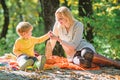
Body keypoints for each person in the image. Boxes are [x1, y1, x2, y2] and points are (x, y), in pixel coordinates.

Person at [49, 6, 120, 69]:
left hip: (82, 47)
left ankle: (114, 63)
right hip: (72, 54)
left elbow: (74, 46)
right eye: (57, 18)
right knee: (81, 62)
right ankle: (100, 63)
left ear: (67, 17)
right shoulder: (58, 25)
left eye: (60, 18)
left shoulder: (78, 25)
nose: (58, 20)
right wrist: (47, 55)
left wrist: (58, 39)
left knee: (86, 54)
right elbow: (52, 42)